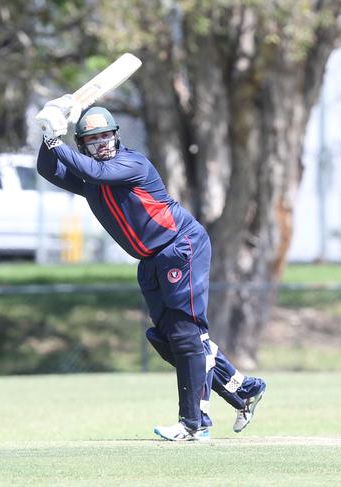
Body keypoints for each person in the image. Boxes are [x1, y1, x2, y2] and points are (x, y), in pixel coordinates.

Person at [35, 95, 266, 441]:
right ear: (83, 145)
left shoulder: (132, 164)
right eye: (91, 140)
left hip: (180, 246)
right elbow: (47, 169)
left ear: (115, 136)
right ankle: (241, 388)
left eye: (104, 137)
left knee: (188, 335)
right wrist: (46, 133)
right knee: (165, 338)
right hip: (150, 260)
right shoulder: (90, 180)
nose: (100, 145)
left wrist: (57, 140)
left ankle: (194, 423)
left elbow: (96, 170)